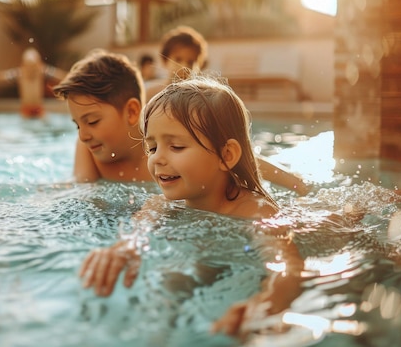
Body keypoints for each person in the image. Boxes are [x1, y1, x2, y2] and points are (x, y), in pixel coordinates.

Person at [78, 75, 304, 337]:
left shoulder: (256, 211)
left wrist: (268, 303)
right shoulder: (160, 204)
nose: (158, 159)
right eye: (151, 148)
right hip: (202, 253)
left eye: (176, 146)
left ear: (226, 156)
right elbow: (136, 236)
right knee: (169, 285)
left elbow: (286, 265)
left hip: (238, 257)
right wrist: (123, 249)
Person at [146, 25, 310, 196]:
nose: (184, 66)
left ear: (199, 65)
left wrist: (292, 182)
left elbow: (240, 155)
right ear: (165, 61)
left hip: (193, 172)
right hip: (165, 174)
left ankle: (294, 181)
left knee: (237, 154)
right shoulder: (152, 96)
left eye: (191, 61)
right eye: (178, 59)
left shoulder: (201, 103)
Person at [52, 49, 151, 183]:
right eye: (77, 126)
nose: (83, 136)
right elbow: (81, 191)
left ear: (131, 112)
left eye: (92, 122)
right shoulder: (90, 152)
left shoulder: (161, 155)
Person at [0, 47, 67, 119]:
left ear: (38, 63)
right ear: (23, 64)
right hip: (26, 110)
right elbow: (2, 77)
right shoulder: (19, 73)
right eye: (29, 65)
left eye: (33, 65)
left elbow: (59, 75)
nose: (31, 68)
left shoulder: (42, 71)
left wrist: (75, 74)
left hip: (38, 108)